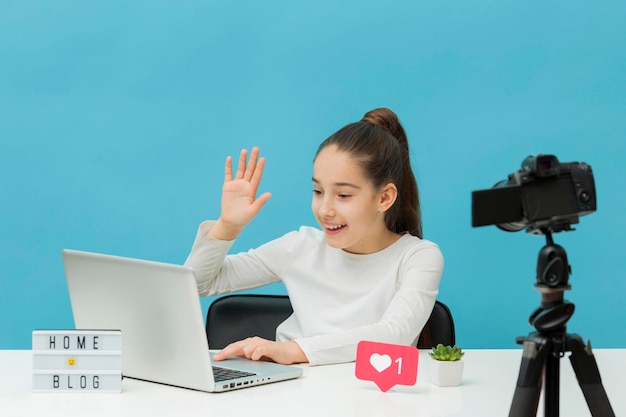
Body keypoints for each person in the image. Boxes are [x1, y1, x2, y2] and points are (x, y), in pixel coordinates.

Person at [184, 108, 444, 366]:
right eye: (318, 191)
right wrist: (227, 226)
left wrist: (294, 350)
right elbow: (197, 284)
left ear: (384, 198)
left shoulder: (417, 257)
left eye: (343, 195)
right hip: (293, 392)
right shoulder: (300, 246)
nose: (324, 210)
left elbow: (394, 334)